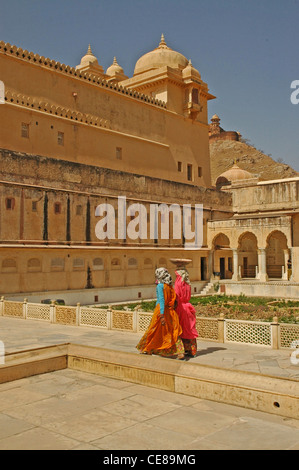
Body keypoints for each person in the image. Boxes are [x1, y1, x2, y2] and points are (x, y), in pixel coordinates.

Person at [136, 267, 185, 359]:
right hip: (171, 312)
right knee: (173, 331)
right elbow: (174, 300)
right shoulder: (169, 286)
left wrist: (162, 315)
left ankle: (148, 349)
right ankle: (180, 352)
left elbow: (162, 300)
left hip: (161, 311)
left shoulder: (160, 286)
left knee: (154, 330)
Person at [174, 268, 198, 357]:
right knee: (190, 329)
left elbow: (176, 297)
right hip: (188, 308)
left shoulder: (178, 283)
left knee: (180, 330)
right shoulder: (188, 283)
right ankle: (192, 350)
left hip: (181, 308)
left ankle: (181, 351)